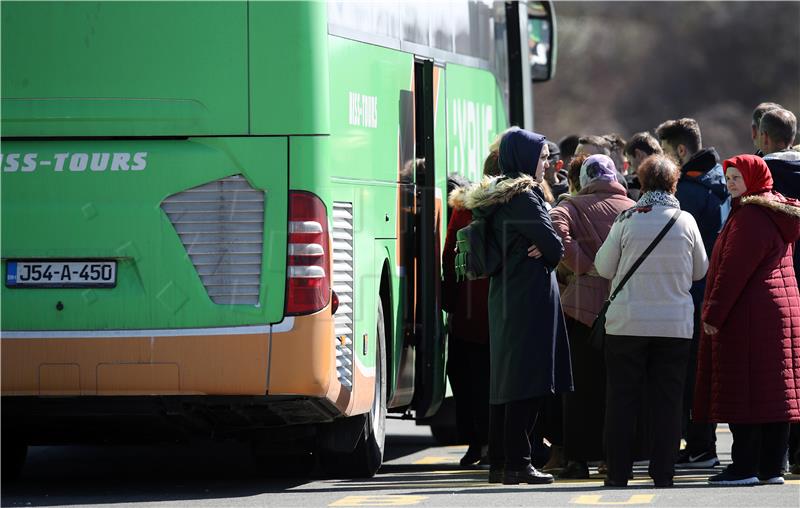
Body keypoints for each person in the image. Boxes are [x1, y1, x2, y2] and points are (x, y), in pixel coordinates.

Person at [461, 127, 573, 485]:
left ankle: (500, 462)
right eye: (542, 158)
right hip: (529, 298)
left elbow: (547, 242)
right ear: (525, 159)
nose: (547, 164)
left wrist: (547, 242)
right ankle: (519, 462)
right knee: (527, 382)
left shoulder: (498, 196)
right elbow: (555, 249)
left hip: (506, 296)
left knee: (505, 383)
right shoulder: (523, 197)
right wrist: (549, 244)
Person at [595, 154, 708, 488]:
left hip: (627, 324)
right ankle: (663, 472)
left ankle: (617, 473)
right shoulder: (685, 221)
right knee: (668, 402)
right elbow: (701, 269)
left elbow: (603, 267)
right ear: (674, 184)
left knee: (621, 400)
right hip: (673, 327)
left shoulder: (627, 218)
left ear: (641, 184)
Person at [693, 154, 800, 486]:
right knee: (776, 392)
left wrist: (713, 314)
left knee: (746, 391)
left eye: (737, 178)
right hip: (779, 310)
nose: (730, 184)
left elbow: (732, 272)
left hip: (750, 312)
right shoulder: (776, 210)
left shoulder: (751, 216)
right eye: (728, 179)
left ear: (755, 179)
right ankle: (770, 468)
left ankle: (745, 467)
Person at [545, 155, 635, 479]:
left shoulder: (572, 206)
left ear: (584, 177)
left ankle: (577, 460)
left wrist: (584, 264)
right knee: (617, 387)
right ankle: (613, 457)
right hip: (625, 307)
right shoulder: (632, 206)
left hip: (581, 309)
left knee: (580, 388)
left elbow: (555, 228)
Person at [655, 117, 729, 468]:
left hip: (690, 293)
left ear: (681, 151)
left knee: (690, 376)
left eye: (667, 152)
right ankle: (702, 444)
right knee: (703, 374)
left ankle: (700, 447)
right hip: (713, 291)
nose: (664, 159)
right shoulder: (720, 183)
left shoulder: (687, 191)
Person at [442, 158, 501, 467]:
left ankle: (476, 444)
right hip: (506, 311)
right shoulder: (519, 204)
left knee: (469, 381)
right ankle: (501, 442)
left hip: (469, 311)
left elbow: (451, 257)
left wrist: (450, 302)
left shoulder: (464, 208)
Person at [757, 108, 800, 474]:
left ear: (764, 138)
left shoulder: (761, 178)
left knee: (782, 374)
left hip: (777, 285)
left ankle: (779, 455)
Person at [623, 132, 663, 201]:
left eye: (630, 162)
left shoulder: (629, 186)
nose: (631, 168)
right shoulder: (671, 181)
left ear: (638, 154)